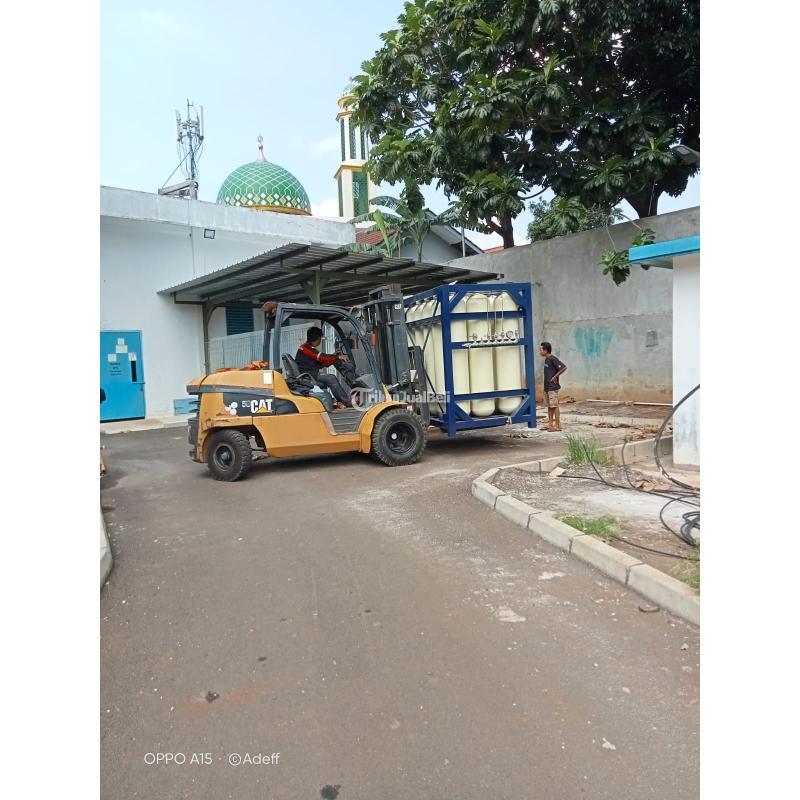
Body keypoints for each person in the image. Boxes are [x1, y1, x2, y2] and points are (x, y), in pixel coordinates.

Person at [295, 326, 352, 408]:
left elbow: (320, 364)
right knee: (331, 378)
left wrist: (333, 357)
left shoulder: (308, 348)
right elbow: (320, 356)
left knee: (329, 378)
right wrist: (337, 357)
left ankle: (339, 401)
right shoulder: (305, 348)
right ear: (318, 338)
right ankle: (346, 402)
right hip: (308, 375)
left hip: (310, 373)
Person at [539, 342, 567, 432]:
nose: (539, 351)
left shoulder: (552, 359)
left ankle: (558, 426)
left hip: (552, 387)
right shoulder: (546, 359)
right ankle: (550, 424)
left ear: (546, 350)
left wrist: (555, 377)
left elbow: (563, 367)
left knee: (554, 406)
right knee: (549, 406)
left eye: (541, 349)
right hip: (547, 387)